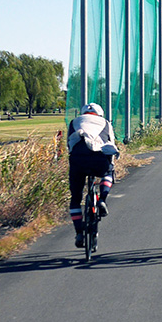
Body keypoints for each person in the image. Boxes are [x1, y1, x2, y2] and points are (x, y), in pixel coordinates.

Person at [66, 102, 119, 248]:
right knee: (108, 172)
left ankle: (78, 232)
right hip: (98, 158)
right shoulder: (105, 123)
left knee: (75, 198)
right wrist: (111, 165)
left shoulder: (74, 122)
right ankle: (102, 199)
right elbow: (111, 144)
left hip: (77, 160)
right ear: (99, 114)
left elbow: (69, 145)